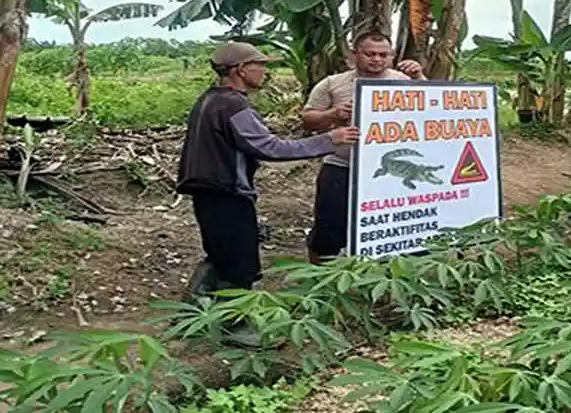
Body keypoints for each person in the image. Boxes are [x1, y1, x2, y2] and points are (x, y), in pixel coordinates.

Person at [178, 41, 358, 345]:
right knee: (239, 262)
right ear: (240, 70)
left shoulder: (210, 99)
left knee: (222, 250)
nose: (265, 71)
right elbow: (270, 147)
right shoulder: (235, 106)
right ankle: (235, 328)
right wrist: (330, 139)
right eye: (260, 65)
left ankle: (188, 312)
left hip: (208, 189)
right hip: (226, 191)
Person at [300, 32, 425, 264]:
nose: (376, 59)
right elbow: (307, 118)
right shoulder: (332, 83)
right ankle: (320, 281)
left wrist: (419, 77)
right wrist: (333, 114)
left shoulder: (403, 81)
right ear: (354, 54)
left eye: (383, 55)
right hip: (341, 167)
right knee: (328, 228)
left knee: (389, 227)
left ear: (391, 56)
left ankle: (382, 278)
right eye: (369, 54)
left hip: (389, 172)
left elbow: (436, 108)